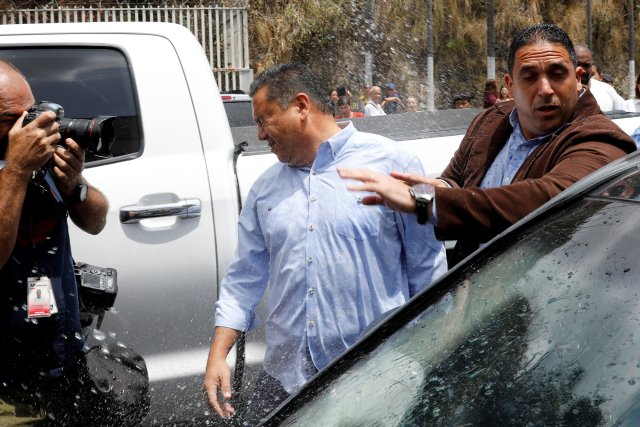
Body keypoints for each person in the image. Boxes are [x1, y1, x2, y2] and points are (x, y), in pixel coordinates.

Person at [204, 62, 447, 425]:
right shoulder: (264, 190)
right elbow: (244, 278)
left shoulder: (393, 163)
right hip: (284, 382)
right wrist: (218, 354)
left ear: (301, 106)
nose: (258, 135)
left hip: (374, 378)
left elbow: (426, 266)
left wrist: (421, 356)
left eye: (264, 119)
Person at [338, 23, 636, 267]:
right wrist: (440, 188)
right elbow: (457, 180)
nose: (545, 89)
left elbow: (547, 200)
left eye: (557, 74)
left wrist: (424, 202)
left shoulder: (601, 139)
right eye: (529, 77)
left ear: (578, 77)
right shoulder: (491, 121)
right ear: (510, 84)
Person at [0, 60, 109, 422]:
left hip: (62, 361)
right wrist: (15, 171)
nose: (32, 126)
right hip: (7, 388)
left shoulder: (39, 162)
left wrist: (74, 182)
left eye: (31, 112)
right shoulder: (20, 164)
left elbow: (96, 220)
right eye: (14, 118)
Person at [574, 44, 628, 112]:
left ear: (592, 66)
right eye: (576, 64)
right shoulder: (561, 93)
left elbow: (624, 116)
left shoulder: (607, 89)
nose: (582, 70)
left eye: (586, 65)